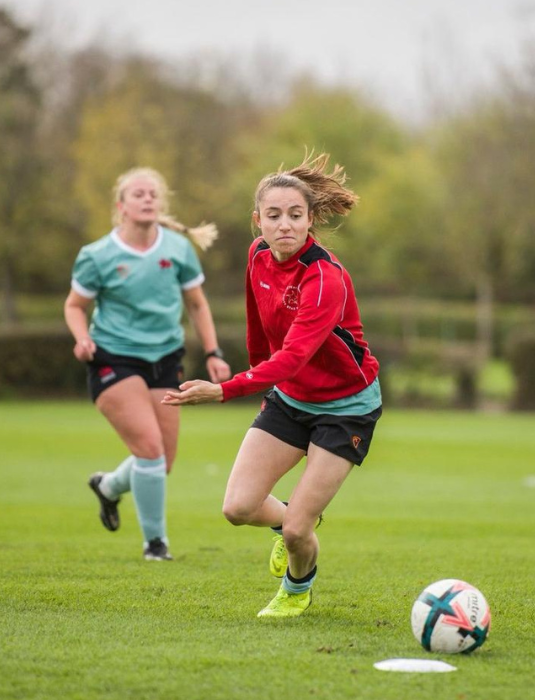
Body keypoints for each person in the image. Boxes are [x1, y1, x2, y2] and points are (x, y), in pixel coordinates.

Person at [163, 153, 381, 618]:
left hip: (346, 407)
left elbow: (293, 356)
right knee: (237, 507)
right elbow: (260, 331)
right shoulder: (258, 255)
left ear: (310, 220)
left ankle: (296, 589)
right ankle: (292, 518)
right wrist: (261, 388)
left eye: (296, 215)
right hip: (289, 397)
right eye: (275, 215)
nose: (285, 225)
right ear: (257, 220)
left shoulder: (325, 279)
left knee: (300, 532)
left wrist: (223, 391)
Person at [67, 167, 230, 562]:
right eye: (138, 194)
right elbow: (75, 306)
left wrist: (213, 352)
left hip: (165, 358)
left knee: (161, 461)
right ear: (121, 206)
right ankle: (155, 545)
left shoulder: (177, 249)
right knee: (150, 450)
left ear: (161, 204)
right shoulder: (97, 255)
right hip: (114, 358)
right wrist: (82, 338)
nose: (147, 199)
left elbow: (196, 304)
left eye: (153, 194)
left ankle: (108, 487)